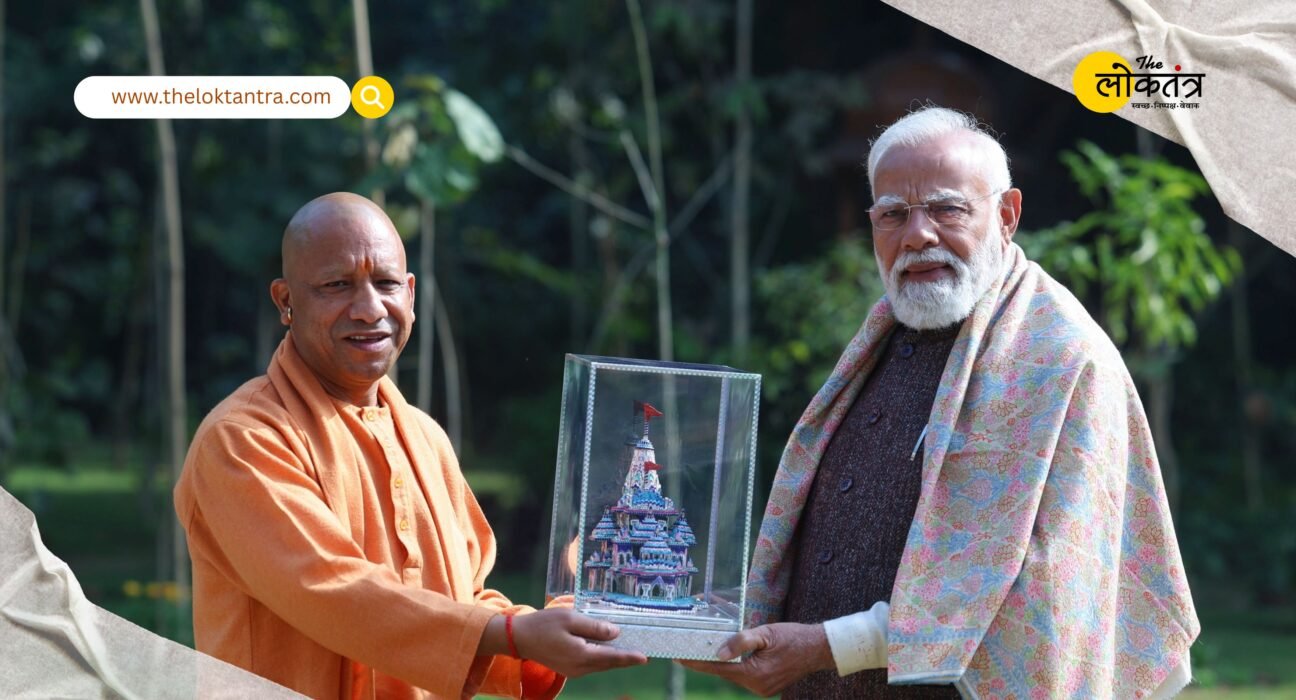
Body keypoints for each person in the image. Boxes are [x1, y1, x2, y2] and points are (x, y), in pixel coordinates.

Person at [681, 107, 1199, 698]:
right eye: (893, 215)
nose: (917, 235)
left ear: (1007, 215)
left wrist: (825, 646)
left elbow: (1039, 589)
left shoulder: (1063, 360)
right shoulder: (884, 338)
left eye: (948, 209)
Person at [174, 192, 646, 700]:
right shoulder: (243, 439)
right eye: (337, 285)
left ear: (412, 296)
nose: (368, 308)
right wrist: (513, 636)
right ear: (286, 300)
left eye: (386, 284)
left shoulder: (423, 436)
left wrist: (549, 636)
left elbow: (460, 598)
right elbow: (333, 591)